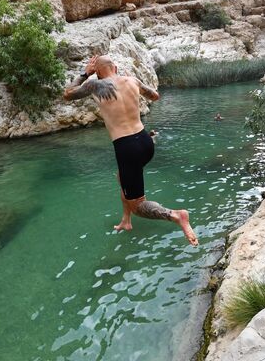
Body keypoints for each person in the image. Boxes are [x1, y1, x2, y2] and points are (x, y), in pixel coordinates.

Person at [64, 55, 198, 246]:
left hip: (127, 148)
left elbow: (67, 94)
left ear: (98, 72)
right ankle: (126, 221)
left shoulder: (94, 85)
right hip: (145, 141)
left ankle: (176, 216)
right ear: (116, 67)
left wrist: (85, 73)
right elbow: (155, 96)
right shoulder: (132, 80)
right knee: (123, 177)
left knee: (138, 205)